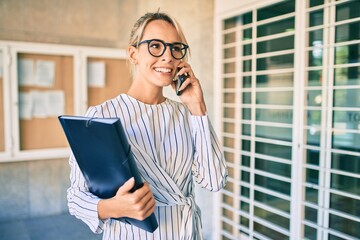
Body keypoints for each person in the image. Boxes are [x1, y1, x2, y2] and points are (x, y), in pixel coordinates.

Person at [67, 11, 227, 240]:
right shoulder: (101, 116)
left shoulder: (186, 114)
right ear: (133, 54)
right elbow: (75, 198)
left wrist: (197, 106)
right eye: (155, 46)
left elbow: (214, 180)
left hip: (186, 232)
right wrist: (113, 207)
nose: (167, 56)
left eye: (175, 48)